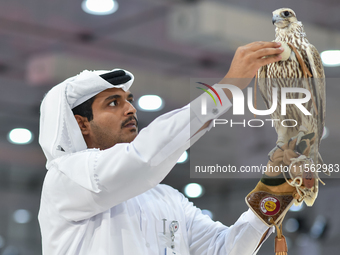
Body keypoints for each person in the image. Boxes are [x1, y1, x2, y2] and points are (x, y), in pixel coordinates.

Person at [38, 42, 286, 255]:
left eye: (129, 101)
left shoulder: (167, 198)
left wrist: (275, 190)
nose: (130, 109)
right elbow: (142, 159)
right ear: (81, 124)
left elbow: (224, 248)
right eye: (113, 103)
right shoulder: (66, 179)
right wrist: (227, 88)